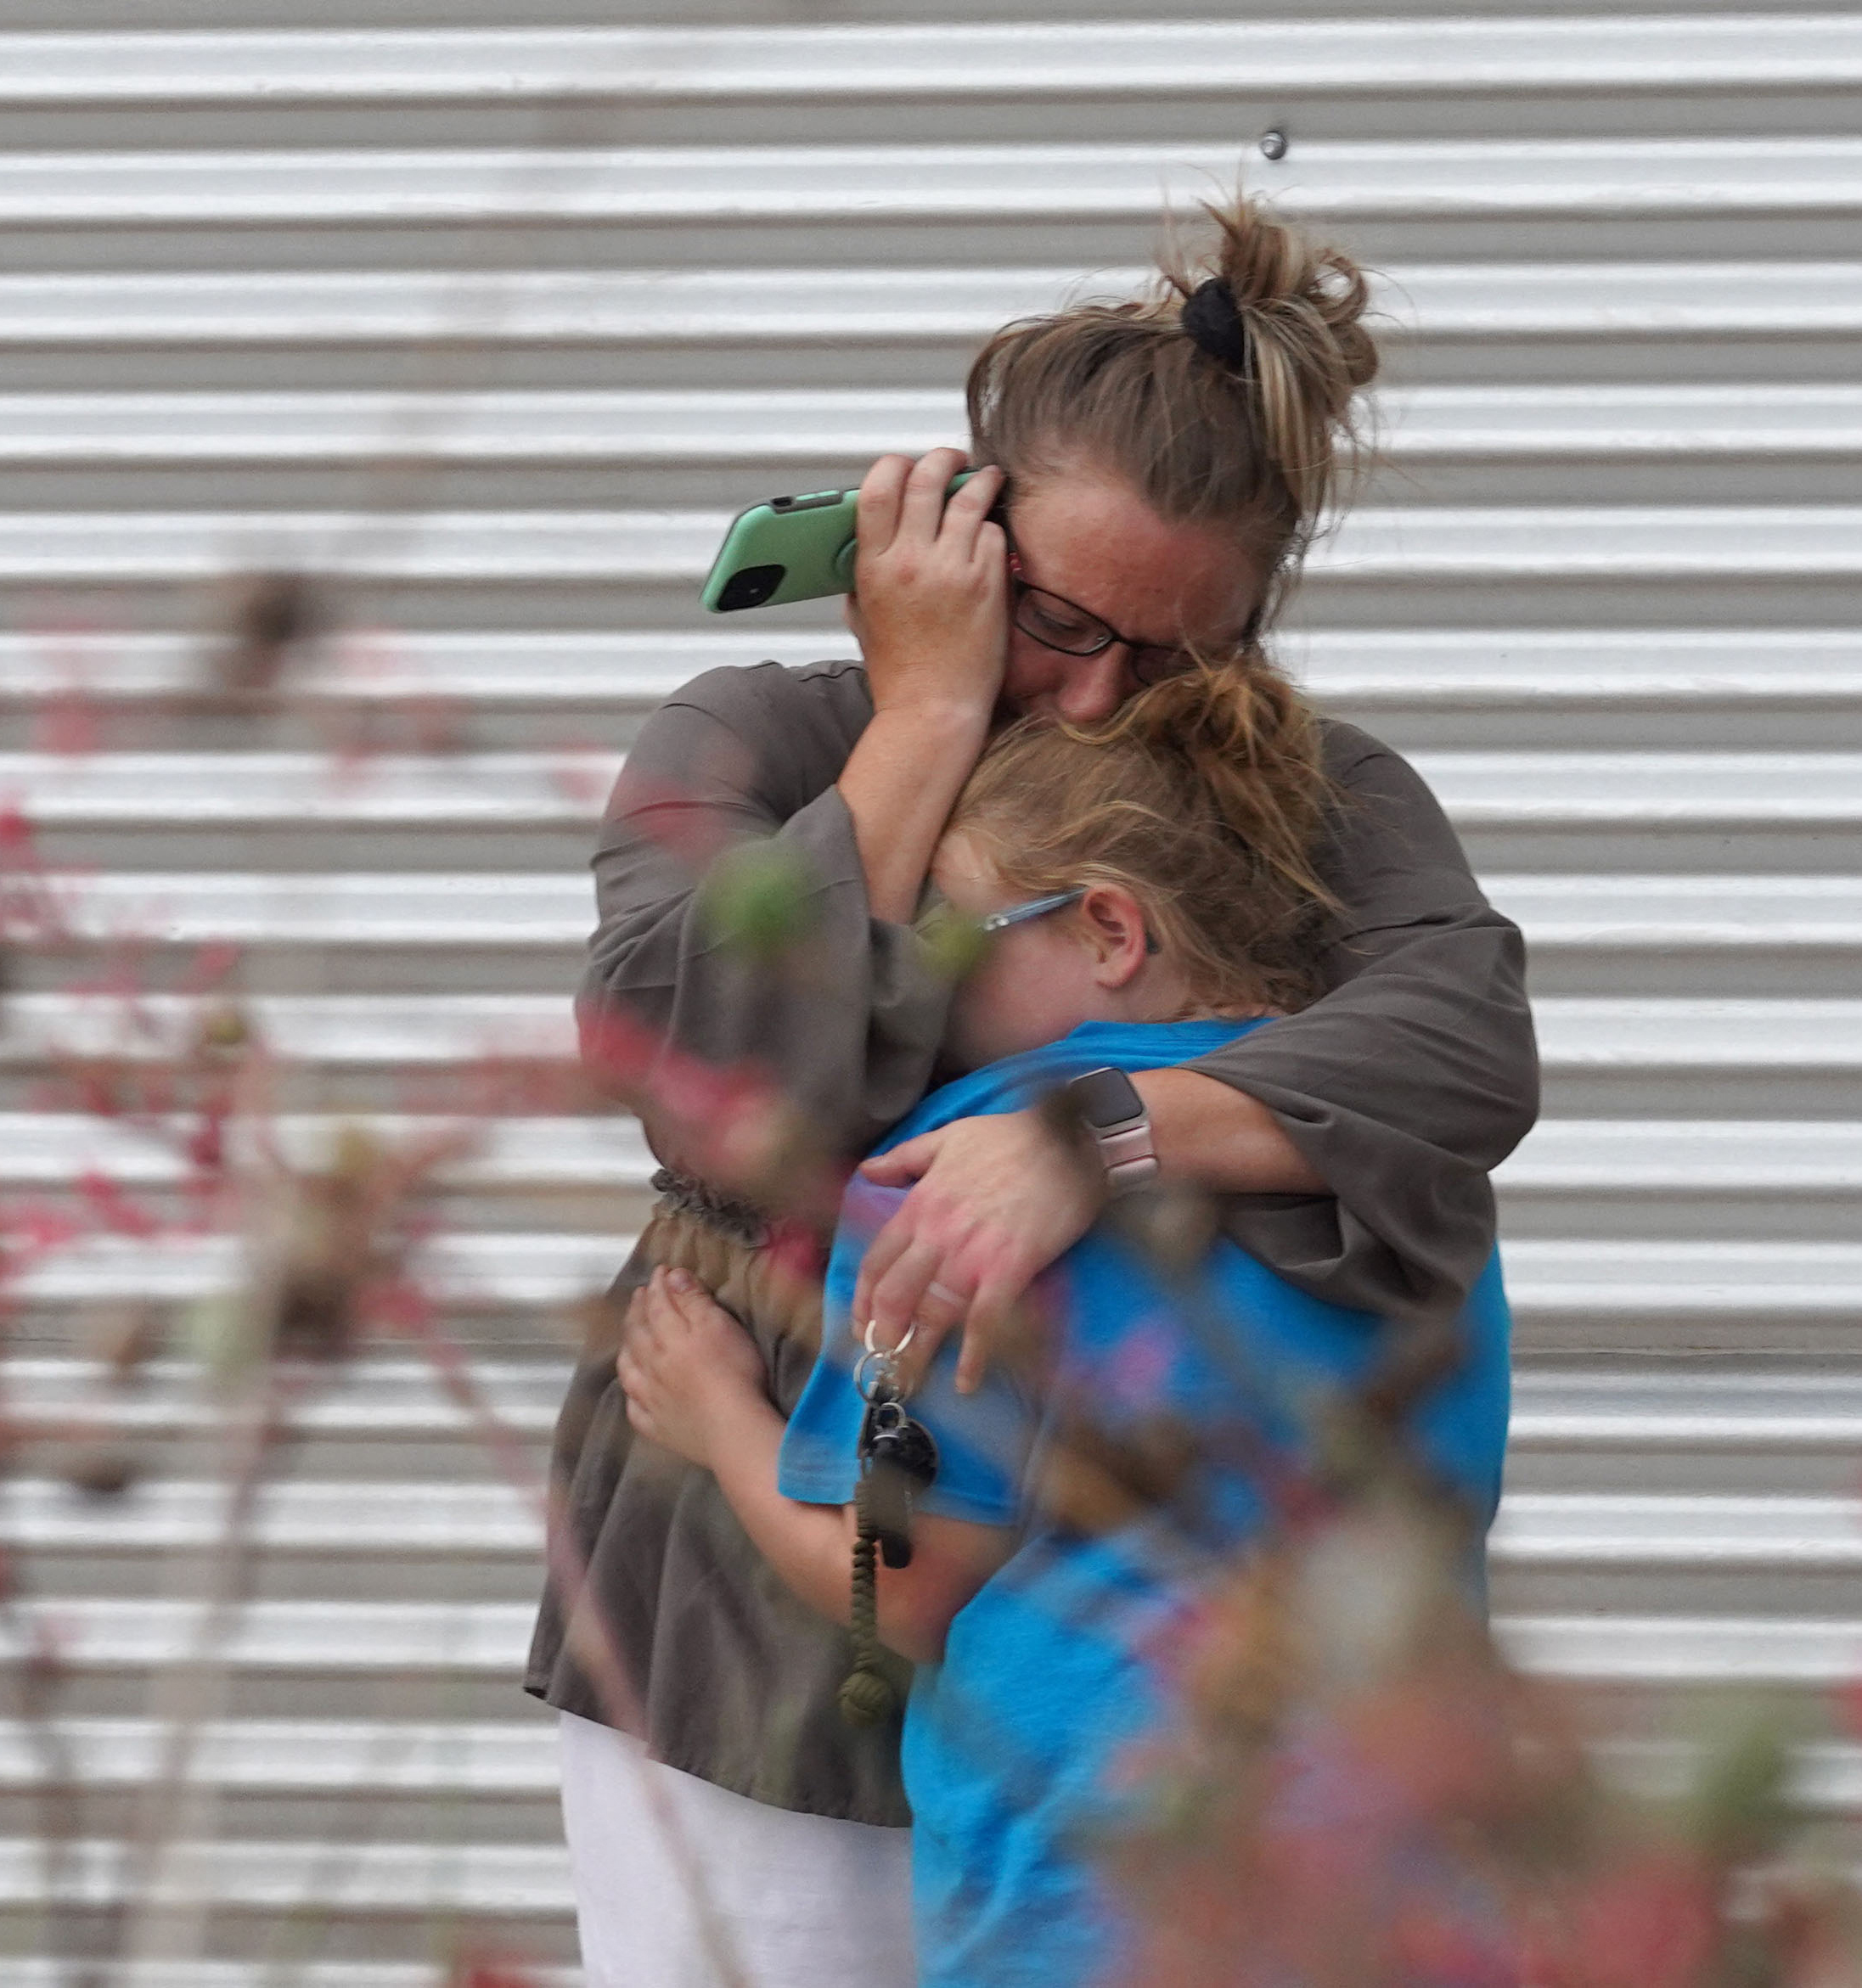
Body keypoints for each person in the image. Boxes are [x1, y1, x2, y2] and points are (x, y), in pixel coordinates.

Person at [526, 193, 1539, 1986]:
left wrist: (1100, 1135)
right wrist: (919, 724)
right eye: (1058, 621)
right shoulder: (756, 739)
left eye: (1177, 656)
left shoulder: (1307, 796)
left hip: (1137, 1685)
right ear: (960, 531)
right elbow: (695, 1076)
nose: (1090, 706)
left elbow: (1462, 1035)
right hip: (767, 1628)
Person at [615, 671, 1513, 1987]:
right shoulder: (1407, 1164)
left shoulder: (956, 1170)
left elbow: (907, 1585)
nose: (918, 993)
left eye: (953, 943)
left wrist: (721, 1420)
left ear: (1107, 928)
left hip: (1094, 1911)